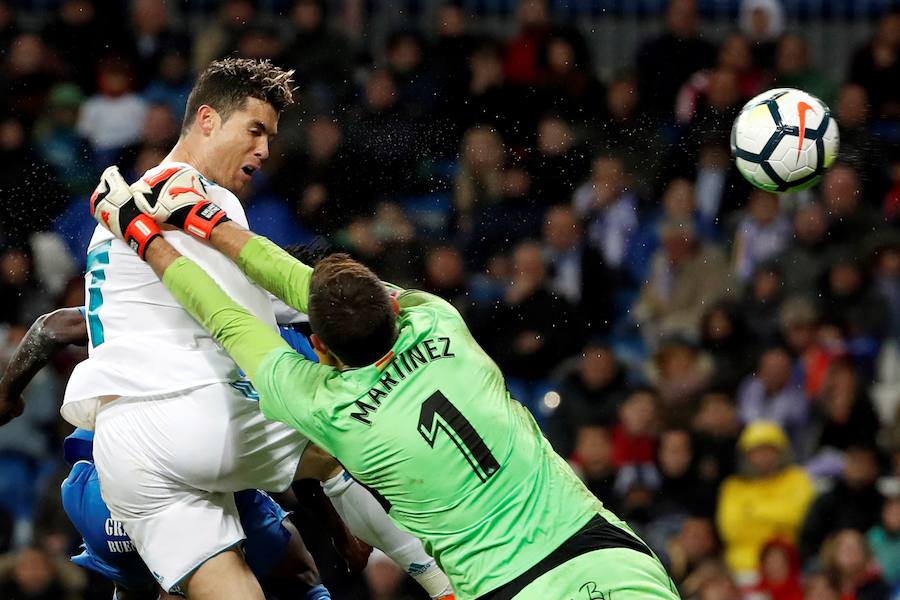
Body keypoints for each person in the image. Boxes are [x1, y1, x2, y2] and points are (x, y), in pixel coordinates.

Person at [88, 163, 681, 600]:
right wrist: (209, 221)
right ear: (395, 309)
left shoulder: (329, 408)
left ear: (317, 345)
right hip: (605, 551)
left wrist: (143, 235)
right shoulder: (438, 321)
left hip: (508, 587)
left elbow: (228, 317)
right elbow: (313, 287)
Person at [1, 58, 452, 600]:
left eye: (271, 136)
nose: (264, 149)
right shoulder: (196, 194)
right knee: (341, 441)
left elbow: (68, 323)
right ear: (208, 120)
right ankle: (442, 582)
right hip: (185, 415)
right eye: (255, 130)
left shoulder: (118, 210)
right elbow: (247, 326)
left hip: (121, 456)